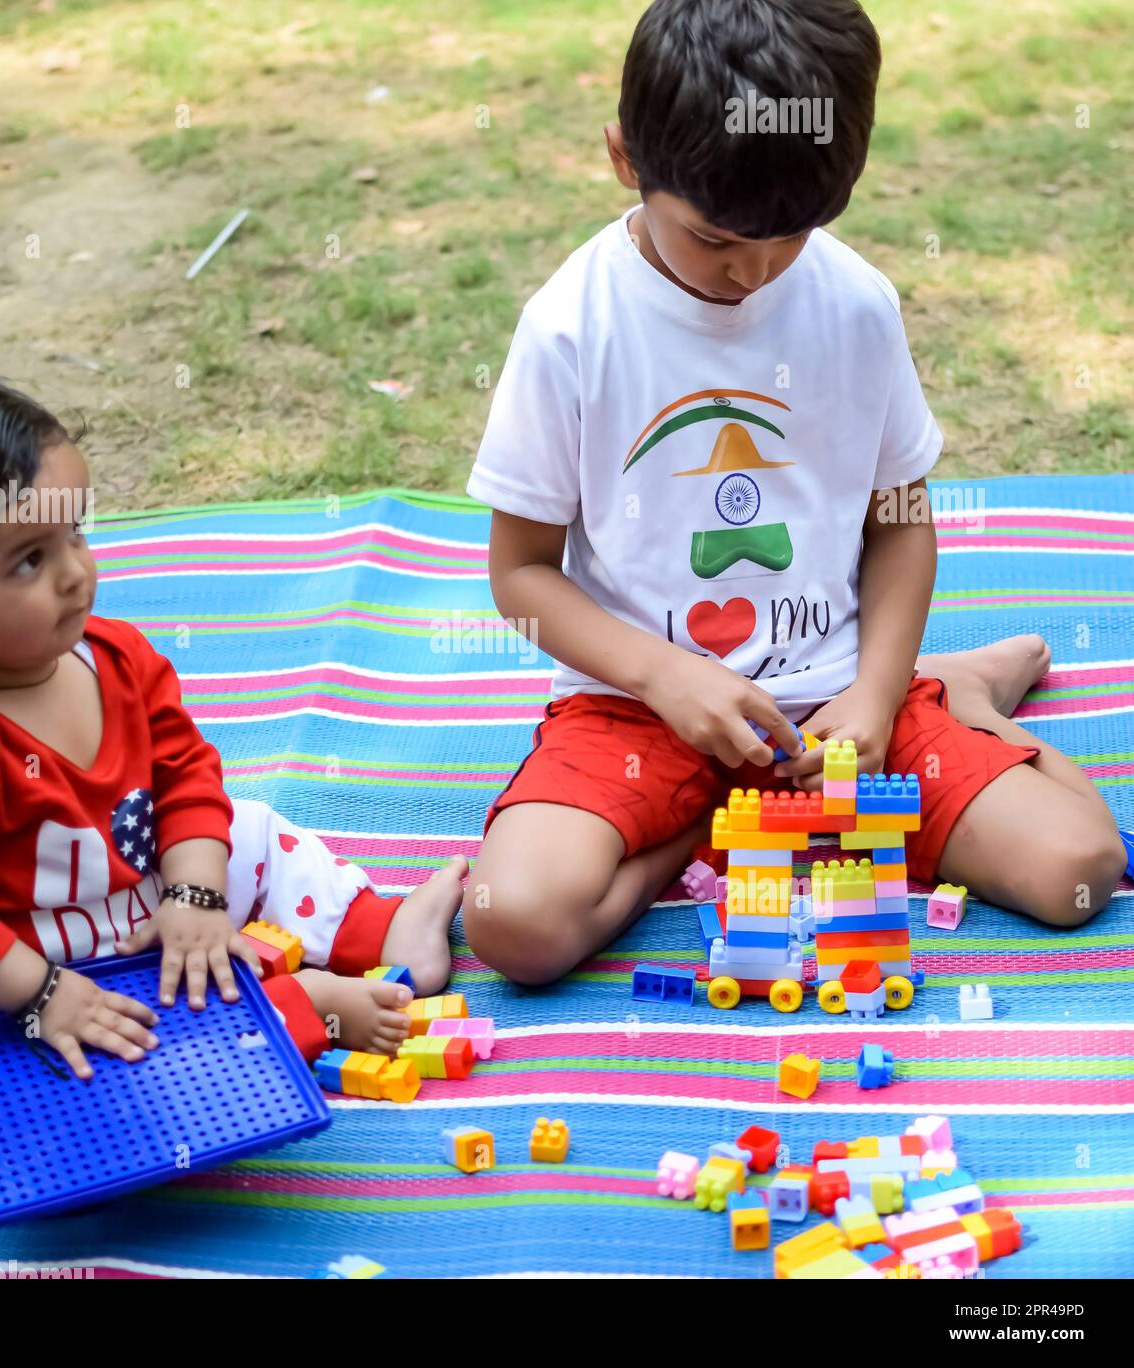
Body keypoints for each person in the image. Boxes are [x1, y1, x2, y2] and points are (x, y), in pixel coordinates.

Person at [463, 0, 1125, 985]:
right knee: (513, 925)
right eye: (714, 238)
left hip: (837, 699)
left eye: (794, 234)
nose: (756, 270)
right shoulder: (571, 328)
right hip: (637, 708)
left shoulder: (853, 305)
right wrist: (665, 678)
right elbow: (520, 575)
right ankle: (713, 816)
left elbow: (899, 521)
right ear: (623, 159)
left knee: (1078, 868)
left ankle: (953, 694)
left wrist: (876, 692)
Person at [0, 370, 466, 1079]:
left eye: (74, 533)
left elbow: (186, 776)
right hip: (43, 952)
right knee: (108, 1047)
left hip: (150, 888)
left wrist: (194, 894)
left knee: (253, 831)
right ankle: (302, 1006)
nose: (74, 573)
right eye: (29, 560)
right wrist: (40, 993)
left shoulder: (118, 657)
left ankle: (377, 928)